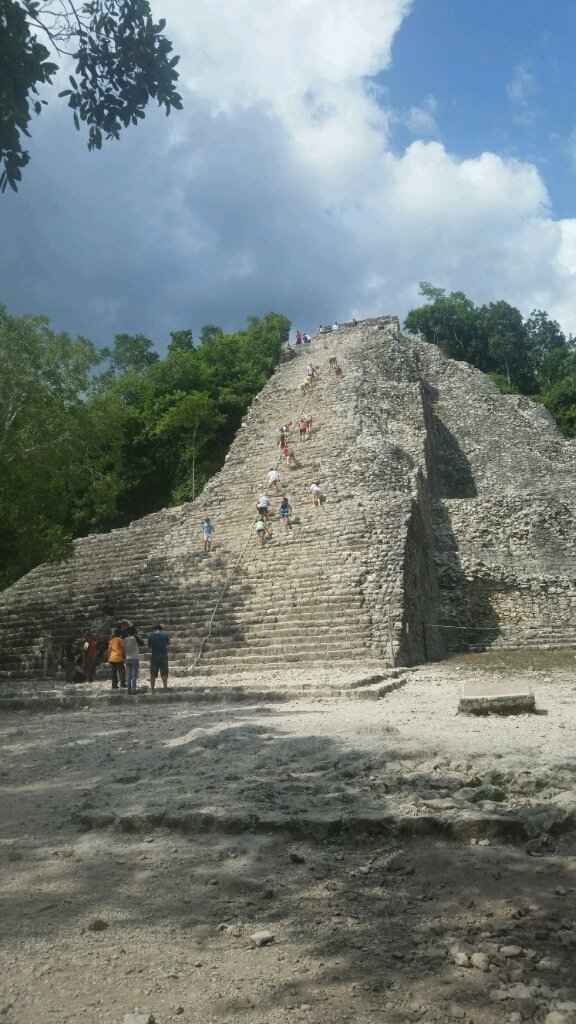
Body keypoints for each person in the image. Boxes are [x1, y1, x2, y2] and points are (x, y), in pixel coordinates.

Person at [148, 624, 170, 690]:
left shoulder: (151, 635)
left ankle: (152, 689)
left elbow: (149, 646)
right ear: (161, 629)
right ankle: (165, 687)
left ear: (154, 629)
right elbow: (168, 643)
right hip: (163, 656)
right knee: (164, 672)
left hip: (154, 656)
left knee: (153, 673)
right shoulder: (165, 635)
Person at [124, 626, 143, 692]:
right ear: (134, 632)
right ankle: (133, 689)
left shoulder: (125, 639)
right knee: (134, 675)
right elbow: (142, 643)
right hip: (134, 658)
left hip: (127, 658)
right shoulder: (136, 638)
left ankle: (129, 689)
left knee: (128, 675)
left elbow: (123, 648)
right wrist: (137, 636)